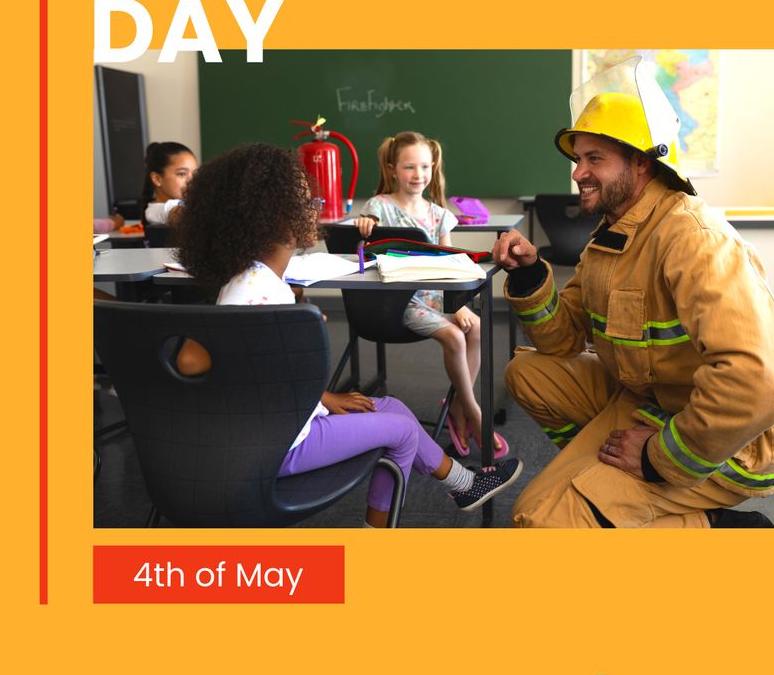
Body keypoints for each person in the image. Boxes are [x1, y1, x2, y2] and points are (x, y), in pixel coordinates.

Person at [492, 56, 774, 529]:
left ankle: (714, 525)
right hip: (653, 403)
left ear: (639, 163)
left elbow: (762, 384)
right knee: (529, 372)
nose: (578, 173)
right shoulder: (613, 237)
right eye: (578, 159)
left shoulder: (692, 237)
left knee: (539, 521)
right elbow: (562, 342)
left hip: (732, 445)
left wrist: (659, 458)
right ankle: (608, 481)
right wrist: (532, 275)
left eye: (595, 159)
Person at [174, 143, 523, 527]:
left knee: (389, 406)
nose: (315, 212)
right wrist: (315, 391)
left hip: (278, 427)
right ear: (278, 219)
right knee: (403, 431)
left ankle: (464, 483)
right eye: (309, 205)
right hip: (280, 444)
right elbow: (206, 363)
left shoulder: (250, 280)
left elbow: (212, 362)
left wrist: (322, 397)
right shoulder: (259, 293)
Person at [355, 131, 509, 460]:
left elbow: (452, 265)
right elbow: (365, 232)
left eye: (424, 167)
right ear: (392, 168)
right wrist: (365, 224)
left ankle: (456, 406)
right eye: (410, 167)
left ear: (433, 167)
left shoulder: (440, 215)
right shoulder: (378, 207)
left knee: (476, 326)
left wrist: (461, 305)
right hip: (401, 303)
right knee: (454, 335)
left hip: (436, 301)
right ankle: (473, 412)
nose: (418, 175)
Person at [140, 141, 198, 225]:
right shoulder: (155, 211)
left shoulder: (187, 203)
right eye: (182, 174)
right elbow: (181, 215)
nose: (191, 180)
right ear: (157, 179)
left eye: (195, 174)